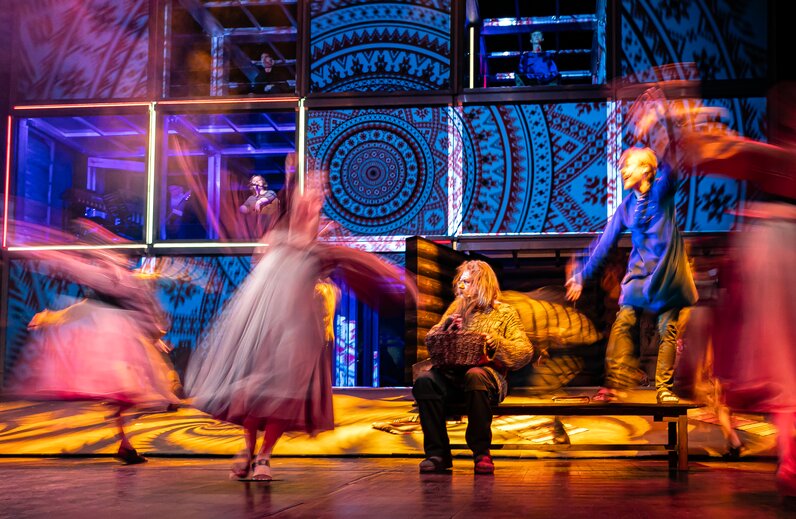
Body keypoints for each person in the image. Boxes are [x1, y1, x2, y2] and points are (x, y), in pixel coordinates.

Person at [186, 190, 415, 481]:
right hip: (266, 328)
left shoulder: (317, 251)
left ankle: (264, 454)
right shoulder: (277, 241)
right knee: (254, 392)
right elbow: (263, 267)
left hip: (298, 335)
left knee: (284, 396)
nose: (312, 210)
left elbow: (357, 260)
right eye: (307, 204)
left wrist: (397, 277)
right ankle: (248, 449)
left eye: (316, 206)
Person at [10, 241, 179, 464]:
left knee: (127, 395)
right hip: (113, 344)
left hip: (121, 341)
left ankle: (124, 443)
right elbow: (81, 297)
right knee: (125, 392)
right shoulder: (114, 280)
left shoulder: (124, 281)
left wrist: (155, 337)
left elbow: (140, 310)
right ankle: (124, 442)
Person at [565, 147, 698, 404]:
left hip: (666, 273)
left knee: (667, 329)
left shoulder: (660, 193)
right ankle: (614, 384)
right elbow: (604, 243)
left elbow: (673, 167)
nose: (623, 170)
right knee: (623, 322)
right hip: (639, 274)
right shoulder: (627, 207)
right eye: (622, 166)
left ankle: (664, 388)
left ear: (646, 169)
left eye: (629, 165)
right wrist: (581, 275)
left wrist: (662, 130)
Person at [412, 260, 533, 474]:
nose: (461, 286)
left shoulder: (504, 312)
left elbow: (525, 351)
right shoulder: (456, 308)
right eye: (461, 281)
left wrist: (498, 344)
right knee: (425, 381)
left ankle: (481, 452)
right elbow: (432, 337)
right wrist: (447, 327)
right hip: (452, 378)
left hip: (487, 379)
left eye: (467, 282)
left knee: (475, 375)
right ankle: (436, 454)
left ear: (482, 283)